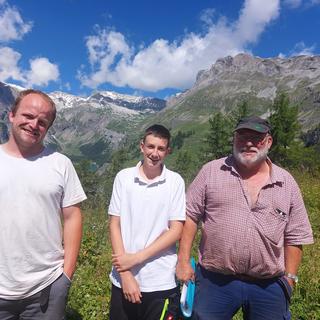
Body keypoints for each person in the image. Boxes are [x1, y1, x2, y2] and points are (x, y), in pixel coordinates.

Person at [176, 116, 314, 320]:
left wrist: (290, 279)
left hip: (269, 285)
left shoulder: (286, 183)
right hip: (215, 282)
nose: (248, 143)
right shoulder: (211, 171)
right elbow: (190, 215)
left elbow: (296, 235)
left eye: (256, 138)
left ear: (268, 141)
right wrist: (183, 261)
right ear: (234, 140)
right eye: (242, 136)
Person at [0, 89, 87, 319]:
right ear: (12, 115)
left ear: (47, 128)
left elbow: (73, 217)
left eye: (42, 121)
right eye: (27, 116)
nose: (33, 124)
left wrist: (65, 276)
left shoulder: (60, 164)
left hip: (46, 287)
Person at [108, 124, 186, 320]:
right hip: (122, 279)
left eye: (161, 148)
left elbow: (176, 230)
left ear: (168, 151)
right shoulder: (124, 178)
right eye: (151, 147)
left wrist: (135, 258)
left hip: (160, 280)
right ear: (141, 146)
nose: (155, 153)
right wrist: (126, 274)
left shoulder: (175, 182)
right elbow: (114, 224)